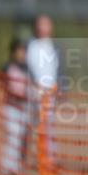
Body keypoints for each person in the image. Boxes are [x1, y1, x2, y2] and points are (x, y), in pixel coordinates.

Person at [25, 14, 59, 164]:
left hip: (50, 92)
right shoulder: (30, 45)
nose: (42, 28)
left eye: (46, 24)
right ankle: (23, 157)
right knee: (29, 125)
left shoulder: (55, 46)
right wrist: (34, 84)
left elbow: (59, 69)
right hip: (33, 92)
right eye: (40, 24)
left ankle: (48, 159)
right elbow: (27, 67)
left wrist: (60, 87)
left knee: (48, 126)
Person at [0, 39, 30, 175]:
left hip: (23, 108)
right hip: (10, 106)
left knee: (19, 138)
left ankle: (14, 168)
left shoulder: (28, 69)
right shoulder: (7, 68)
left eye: (23, 50)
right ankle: (6, 168)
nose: (21, 53)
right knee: (12, 136)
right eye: (19, 50)